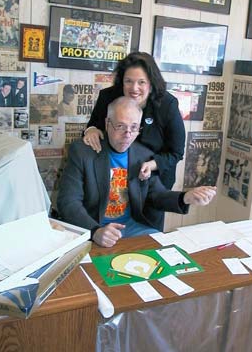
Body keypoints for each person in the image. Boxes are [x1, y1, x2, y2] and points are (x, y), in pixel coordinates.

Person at [57, 97, 216, 248]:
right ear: (107, 123)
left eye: (134, 127)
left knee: (164, 251)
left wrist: (186, 197)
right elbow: (68, 202)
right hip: (92, 227)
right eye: (120, 126)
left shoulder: (143, 155)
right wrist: (95, 231)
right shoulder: (82, 152)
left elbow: (157, 195)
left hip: (131, 228)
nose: (127, 134)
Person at [83, 52, 186, 230]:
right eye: (128, 81)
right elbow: (94, 126)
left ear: (151, 83)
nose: (134, 88)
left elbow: (176, 152)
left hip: (153, 182)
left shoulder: (167, 105)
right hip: (112, 181)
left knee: (148, 235)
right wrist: (91, 130)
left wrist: (152, 165)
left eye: (141, 82)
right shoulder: (108, 97)